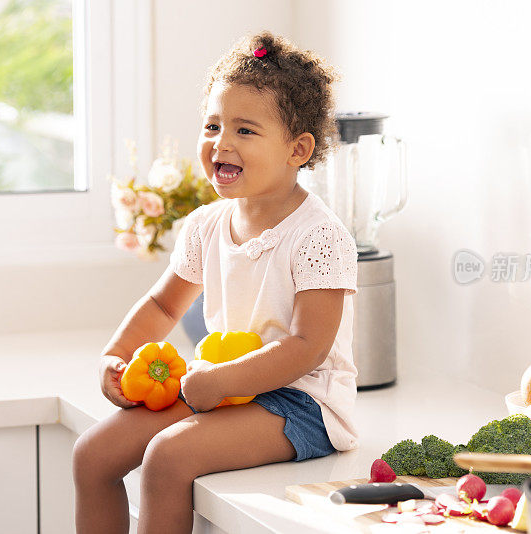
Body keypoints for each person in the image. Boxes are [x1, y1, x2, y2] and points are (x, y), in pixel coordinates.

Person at [72, 30, 358, 534]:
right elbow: (163, 307)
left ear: (298, 149)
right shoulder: (207, 224)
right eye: (212, 125)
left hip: (301, 402)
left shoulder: (319, 236)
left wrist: (220, 382)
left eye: (245, 130)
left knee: (167, 456)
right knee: (92, 454)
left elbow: (309, 347)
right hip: (223, 386)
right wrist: (115, 357)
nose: (220, 143)